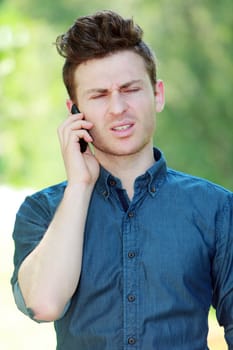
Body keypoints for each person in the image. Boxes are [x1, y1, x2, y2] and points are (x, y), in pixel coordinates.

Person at [11, 10, 233, 350]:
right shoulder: (42, 210)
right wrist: (80, 186)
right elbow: (44, 304)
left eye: (130, 89)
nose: (118, 108)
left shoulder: (216, 207)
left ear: (157, 94)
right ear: (75, 111)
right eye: (99, 95)